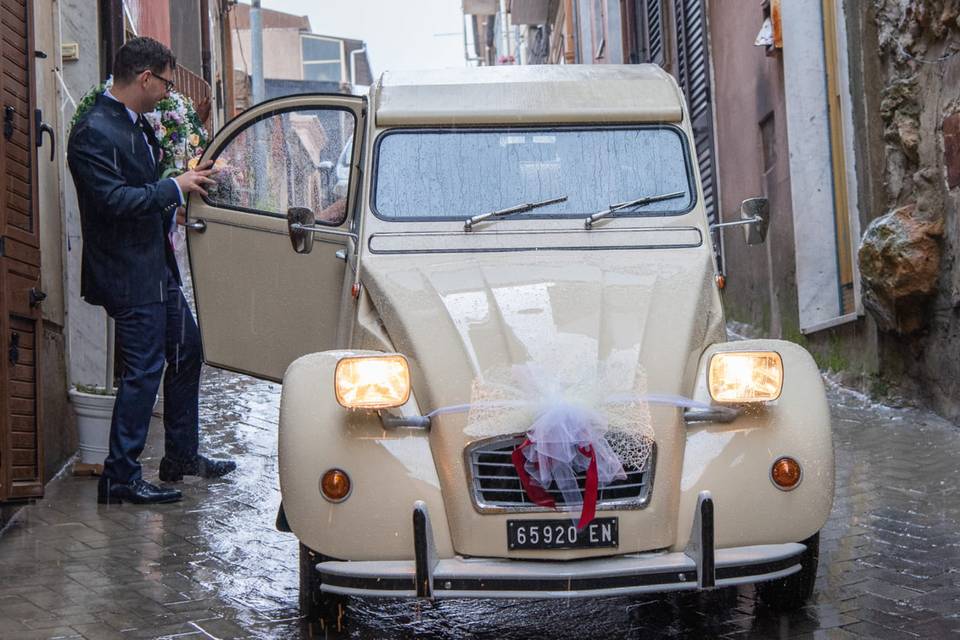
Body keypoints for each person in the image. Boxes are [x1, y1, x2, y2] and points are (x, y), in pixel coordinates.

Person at [67, 37, 236, 505]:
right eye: (164, 81)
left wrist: (186, 181)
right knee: (143, 370)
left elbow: (145, 187)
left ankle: (181, 456)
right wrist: (173, 188)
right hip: (128, 272)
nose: (167, 91)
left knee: (188, 351)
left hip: (153, 266)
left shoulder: (133, 123)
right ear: (144, 78)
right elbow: (114, 201)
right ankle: (119, 478)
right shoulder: (93, 131)